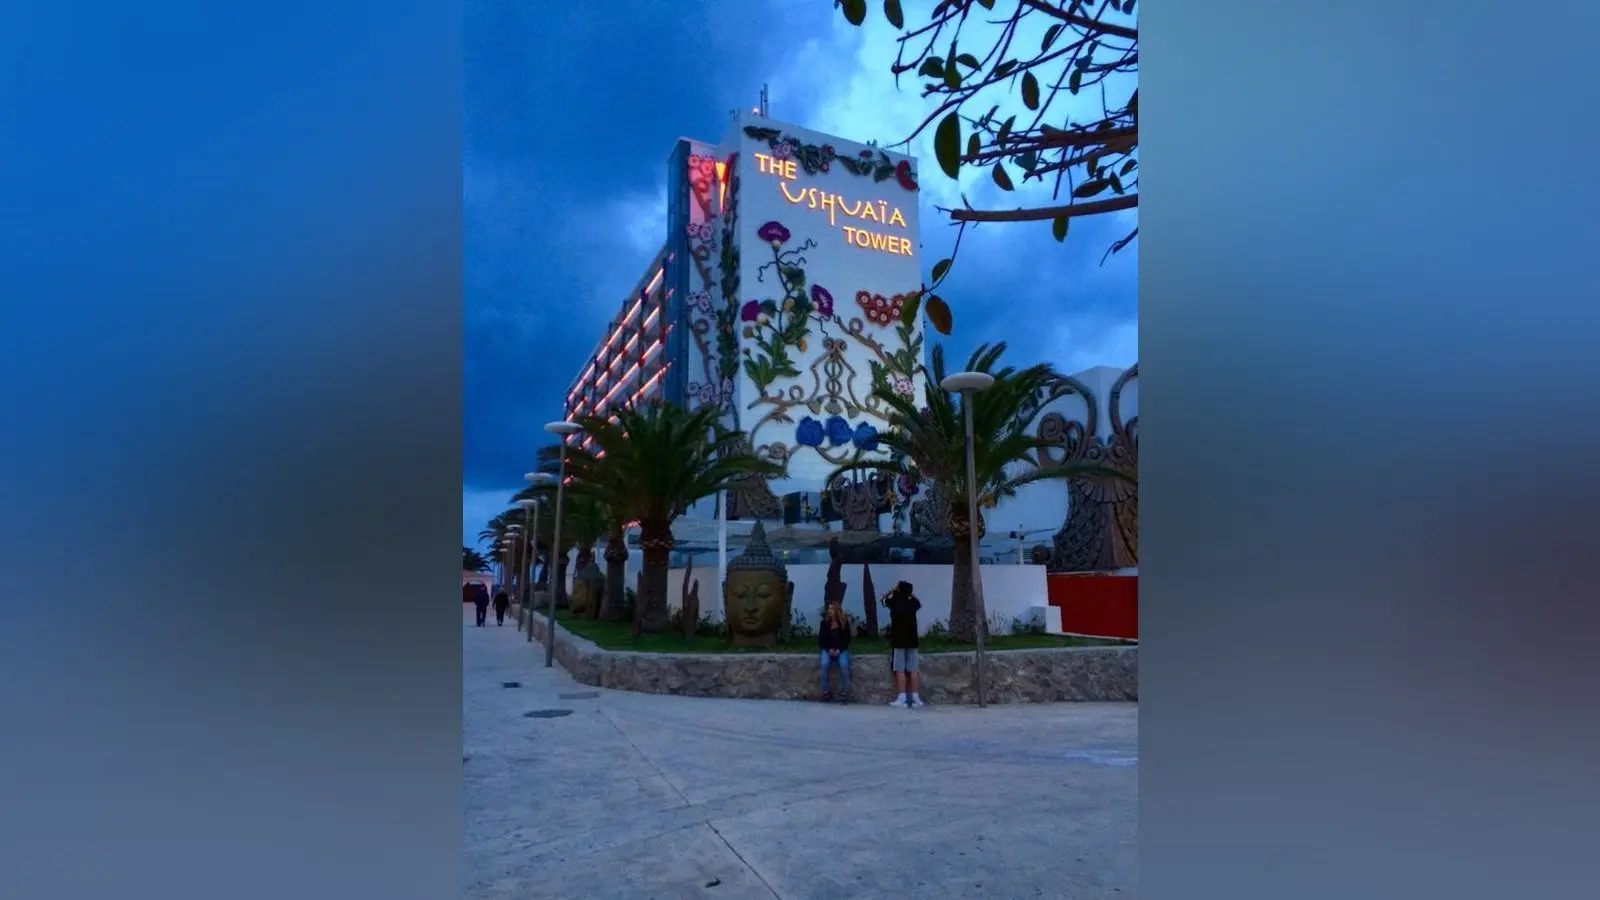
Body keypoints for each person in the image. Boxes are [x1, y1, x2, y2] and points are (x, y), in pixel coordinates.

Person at [882, 580, 924, 708]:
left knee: (900, 670)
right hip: (912, 641)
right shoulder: (913, 603)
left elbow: (883, 600)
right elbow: (918, 602)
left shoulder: (894, 602)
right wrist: (910, 594)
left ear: (898, 590)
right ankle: (916, 697)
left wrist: (892, 590)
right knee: (913, 670)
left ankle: (902, 697)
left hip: (899, 640)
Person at [817, 600, 852, 703]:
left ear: (837, 610)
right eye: (829, 609)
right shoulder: (824, 623)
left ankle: (844, 691)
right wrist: (829, 650)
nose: (829, 611)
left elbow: (846, 639)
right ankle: (825, 692)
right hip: (827, 649)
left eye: (832, 609)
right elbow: (821, 640)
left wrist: (839, 650)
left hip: (841, 649)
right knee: (824, 664)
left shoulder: (844, 623)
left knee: (844, 664)